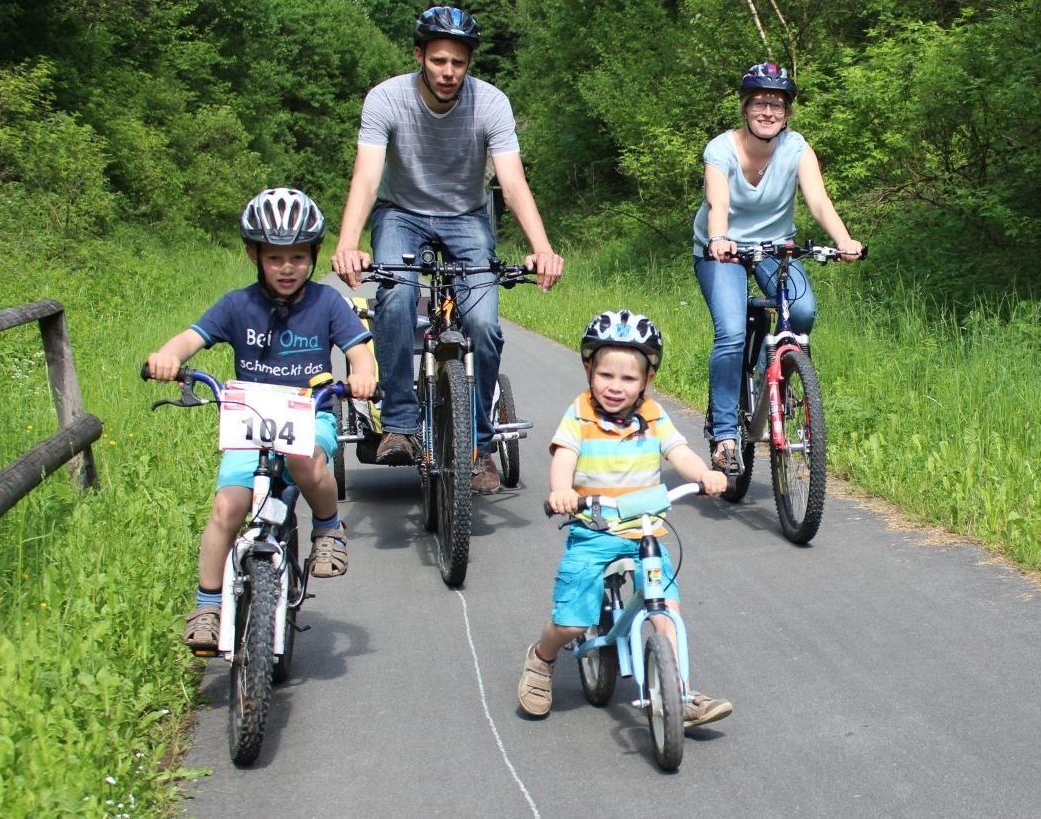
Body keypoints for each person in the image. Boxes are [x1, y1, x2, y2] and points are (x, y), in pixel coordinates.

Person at [331, 5, 564, 494]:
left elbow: (512, 182)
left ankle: (477, 447)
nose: (448, 72)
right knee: (395, 297)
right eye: (438, 61)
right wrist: (348, 243)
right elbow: (368, 176)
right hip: (400, 212)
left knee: (482, 321)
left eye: (458, 63)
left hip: (466, 217)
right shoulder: (386, 100)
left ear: (469, 63)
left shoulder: (491, 105)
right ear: (419, 55)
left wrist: (542, 248)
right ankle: (399, 423)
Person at [145, 188, 377, 653]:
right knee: (227, 508)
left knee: (307, 463)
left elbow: (359, 351)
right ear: (254, 255)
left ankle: (329, 529)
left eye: (297, 256)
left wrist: (363, 375)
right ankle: (208, 605)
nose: (287, 267)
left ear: (313, 255)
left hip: (308, 414)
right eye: (274, 258)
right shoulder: (236, 305)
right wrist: (167, 357)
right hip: (249, 421)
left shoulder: (328, 304)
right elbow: (190, 339)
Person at [517, 310, 733, 729]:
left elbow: (678, 452)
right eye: (606, 376)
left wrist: (704, 474)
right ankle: (541, 659)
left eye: (629, 379)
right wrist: (561, 491)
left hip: (645, 529)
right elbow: (565, 455)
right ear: (589, 371)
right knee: (572, 620)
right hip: (594, 529)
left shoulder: (652, 413)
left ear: (647, 380)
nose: (616, 387)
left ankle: (682, 695)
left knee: (666, 609)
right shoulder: (580, 413)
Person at [694, 62, 864, 474]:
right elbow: (719, 203)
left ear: (786, 113)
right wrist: (718, 238)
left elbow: (818, 201)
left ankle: (777, 372)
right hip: (723, 250)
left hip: (774, 248)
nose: (768, 111)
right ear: (745, 108)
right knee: (732, 334)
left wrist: (843, 240)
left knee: (801, 312)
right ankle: (725, 435)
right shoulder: (721, 149)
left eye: (777, 104)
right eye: (760, 103)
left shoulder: (797, 148)